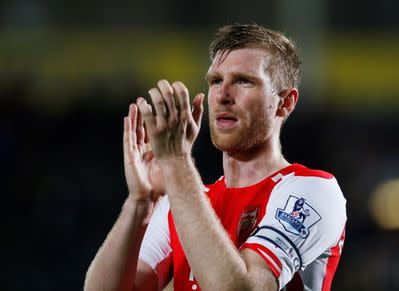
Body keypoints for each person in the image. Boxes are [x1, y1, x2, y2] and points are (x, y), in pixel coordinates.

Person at [84, 23, 347, 291]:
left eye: (243, 81)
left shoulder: (312, 190)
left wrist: (177, 161)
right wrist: (140, 202)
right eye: (216, 81)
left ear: (285, 102)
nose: (222, 95)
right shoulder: (181, 203)